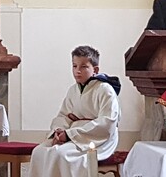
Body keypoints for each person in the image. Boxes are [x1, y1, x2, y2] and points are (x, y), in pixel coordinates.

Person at [28, 45, 120, 177]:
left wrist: (69, 135)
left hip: (95, 139)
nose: (78, 71)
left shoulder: (105, 89)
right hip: (71, 134)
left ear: (95, 69)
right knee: (39, 151)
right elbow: (63, 116)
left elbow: (107, 123)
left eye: (83, 67)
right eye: (74, 66)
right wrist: (58, 131)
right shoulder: (73, 90)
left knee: (61, 154)